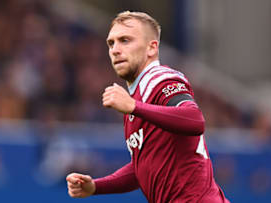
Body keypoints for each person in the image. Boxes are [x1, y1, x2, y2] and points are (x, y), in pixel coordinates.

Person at [66, 11, 230, 203]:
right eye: (111, 43)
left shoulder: (159, 79)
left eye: (125, 40)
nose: (115, 50)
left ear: (151, 48)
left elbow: (194, 120)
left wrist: (134, 106)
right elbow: (141, 167)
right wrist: (96, 186)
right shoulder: (135, 101)